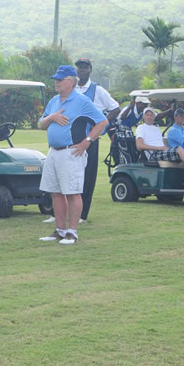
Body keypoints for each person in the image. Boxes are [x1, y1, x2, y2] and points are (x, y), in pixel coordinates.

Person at [38, 65, 108, 245]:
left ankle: (73, 232)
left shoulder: (82, 101)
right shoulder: (54, 101)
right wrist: (52, 117)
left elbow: (102, 122)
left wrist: (88, 141)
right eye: (55, 79)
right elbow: (41, 124)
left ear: (70, 81)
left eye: (60, 80)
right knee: (56, 192)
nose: (56, 83)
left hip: (71, 152)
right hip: (54, 151)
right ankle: (60, 230)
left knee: (72, 193)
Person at [71, 58, 120, 222]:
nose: (82, 70)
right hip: (71, 138)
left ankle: (82, 215)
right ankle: (60, 212)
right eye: (79, 68)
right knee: (69, 174)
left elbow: (115, 108)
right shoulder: (72, 87)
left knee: (88, 175)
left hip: (90, 138)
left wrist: (102, 127)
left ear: (90, 70)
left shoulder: (97, 90)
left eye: (85, 68)